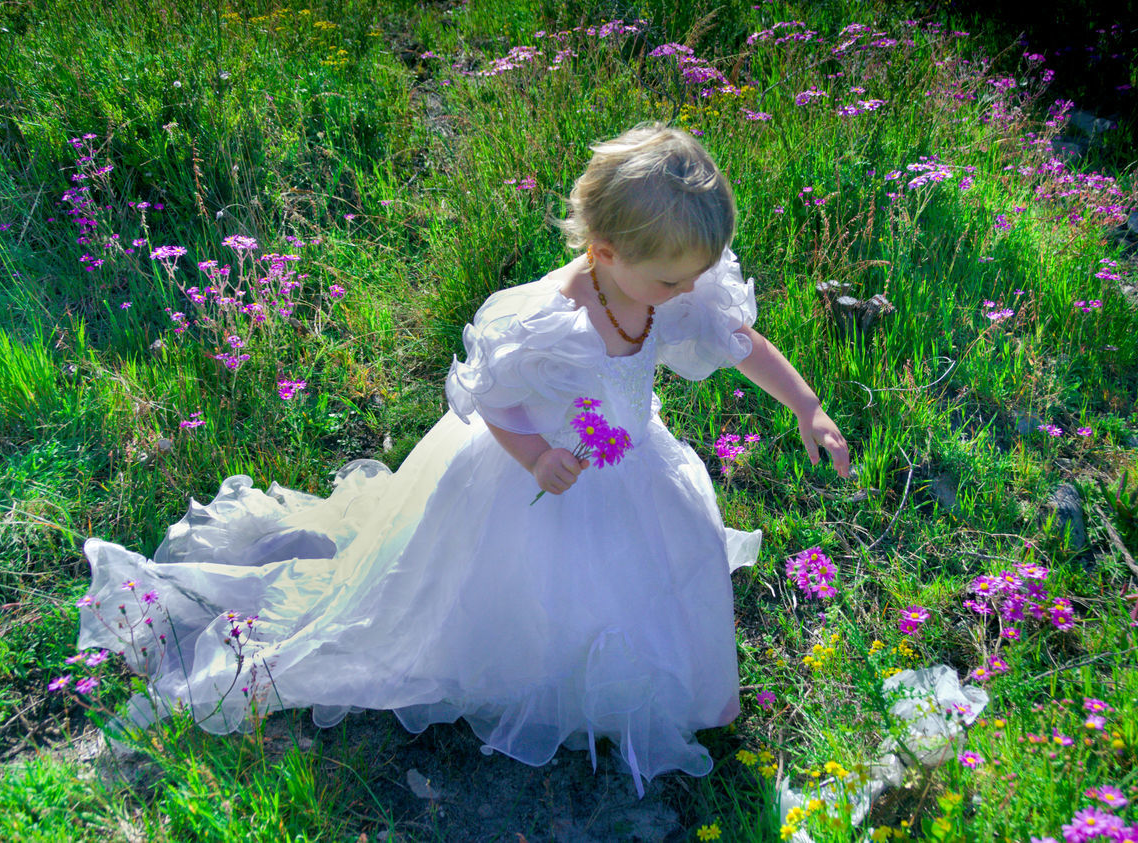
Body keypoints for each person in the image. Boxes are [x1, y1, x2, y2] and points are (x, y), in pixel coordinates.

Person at [76, 123, 851, 797]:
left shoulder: (667, 281)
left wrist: (806, 404)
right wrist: (536, 455)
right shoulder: (551, 318)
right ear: (607, 253)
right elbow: (497, 400)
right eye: (672, 280)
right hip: (534, 470)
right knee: (531, 597)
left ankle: (664, 682)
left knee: (662, 566)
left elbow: (738, 343)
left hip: (629, 461)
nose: (686, 292)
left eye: (692, 276)